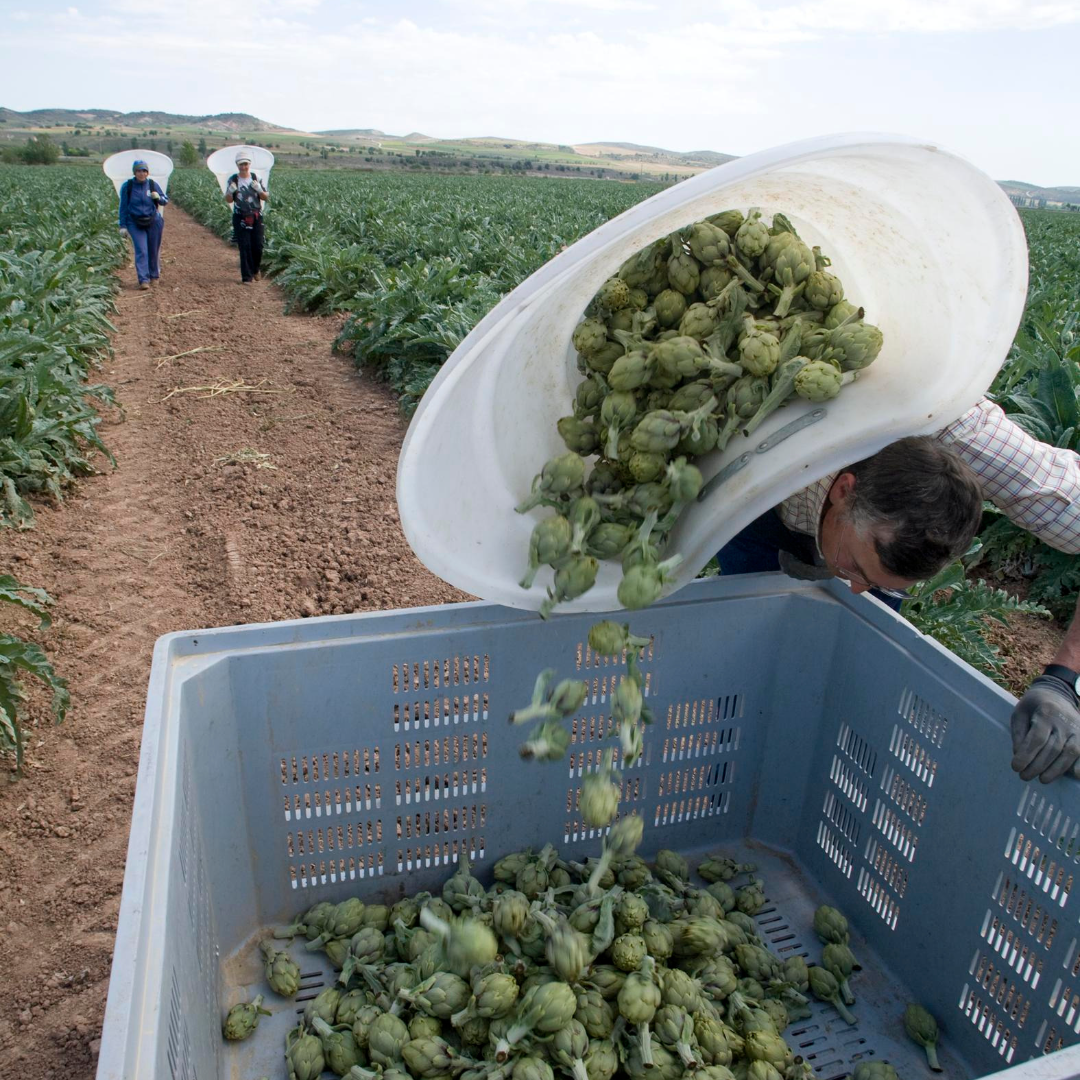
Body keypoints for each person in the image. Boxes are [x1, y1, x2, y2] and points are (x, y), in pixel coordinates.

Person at [718, 396, 1080, 785]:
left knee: (856, 691)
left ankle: (839, 794)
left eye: (872, 582)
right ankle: (730, 786)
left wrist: (1063, 678)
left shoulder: (965, 435)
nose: (855, 589)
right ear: (844, 490)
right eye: (855, 570)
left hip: (851, 504)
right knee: (751, 665)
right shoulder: (768, 419)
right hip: (758, 488)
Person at [118, 160, 168, 290]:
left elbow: (164, 201)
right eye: (139, 171)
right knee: (142, 250)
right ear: (134, 172)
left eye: (144, 171)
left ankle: (154, 276)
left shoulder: (152, 185)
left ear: (147, 172)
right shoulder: (127, 186)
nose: (142, 173)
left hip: (153, 221)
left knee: (153, 249)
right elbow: (123, 207)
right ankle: (143, 279)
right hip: (135, 222)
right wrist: (122, 225)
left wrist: (158, 198)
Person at [225, 152, 269, 284]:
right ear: (237, 165)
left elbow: (265, 197)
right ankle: (247, 277)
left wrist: (260, 190)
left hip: (256, 216)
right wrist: (229, 192)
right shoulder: (233, 180)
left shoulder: (256, 178)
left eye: (245, 164)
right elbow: (229, 200)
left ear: (249, 164)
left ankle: (255, 269)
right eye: (241, 164)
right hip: (240, 217)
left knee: (258, 245)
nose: (243, 167)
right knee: (244, 246)